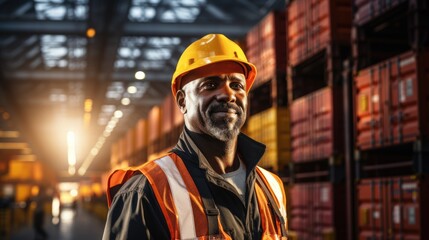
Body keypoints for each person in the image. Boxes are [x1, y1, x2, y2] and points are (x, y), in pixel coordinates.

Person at [103, 33, 288, 240]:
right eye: (210, 85)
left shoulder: (272, 188)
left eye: (237, 85)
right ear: (182, 101)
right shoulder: (147, 192)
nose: (227, 94)